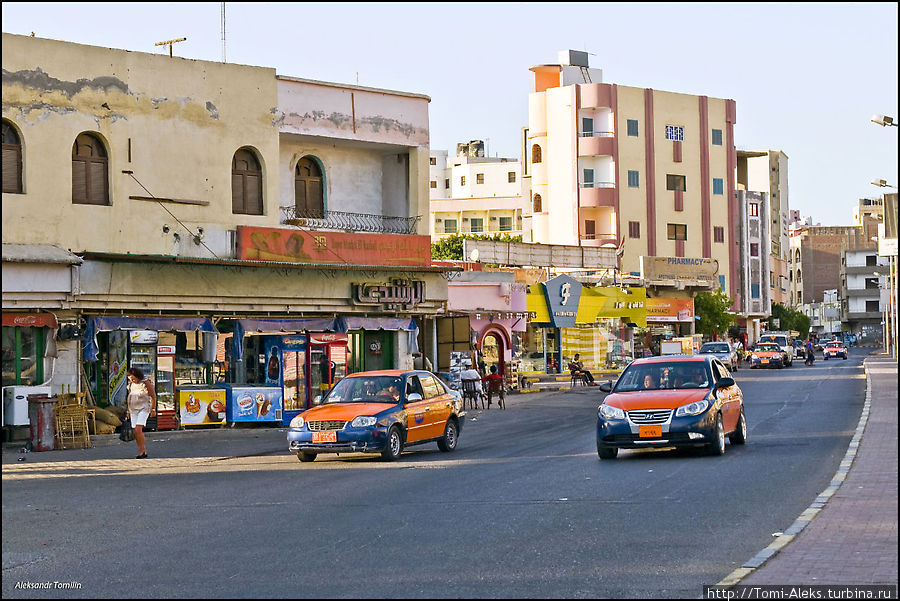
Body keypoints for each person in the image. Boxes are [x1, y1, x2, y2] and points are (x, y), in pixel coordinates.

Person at [126, 367, 156, 459]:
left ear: (138, 376)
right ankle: (141, 449)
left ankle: (142, 450)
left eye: (133, 378)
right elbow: (129, 396)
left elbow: (153, 396)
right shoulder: (131, 384)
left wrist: (153, 409)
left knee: (138, 429)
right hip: (133, 409)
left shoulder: (145, 383)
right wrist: (127, 410)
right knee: (136, 430)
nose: (132, 380)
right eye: (130, 378)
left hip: (144, 408)